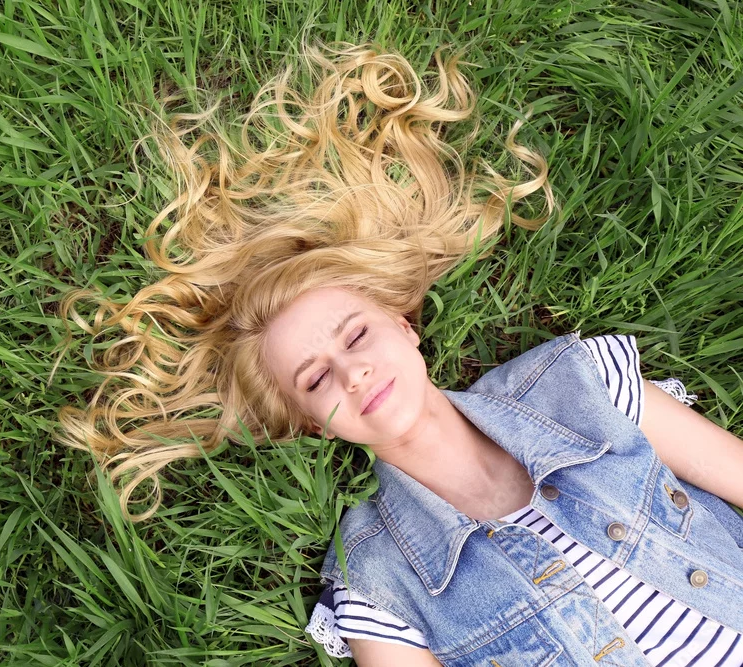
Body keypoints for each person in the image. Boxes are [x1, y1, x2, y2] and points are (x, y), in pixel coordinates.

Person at [51, 42, 743, 665]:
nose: (353, 372)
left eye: (356, 335)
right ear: (315, 423)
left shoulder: (580, 384)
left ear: (405, 326)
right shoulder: (377, 581)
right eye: (316, 378)